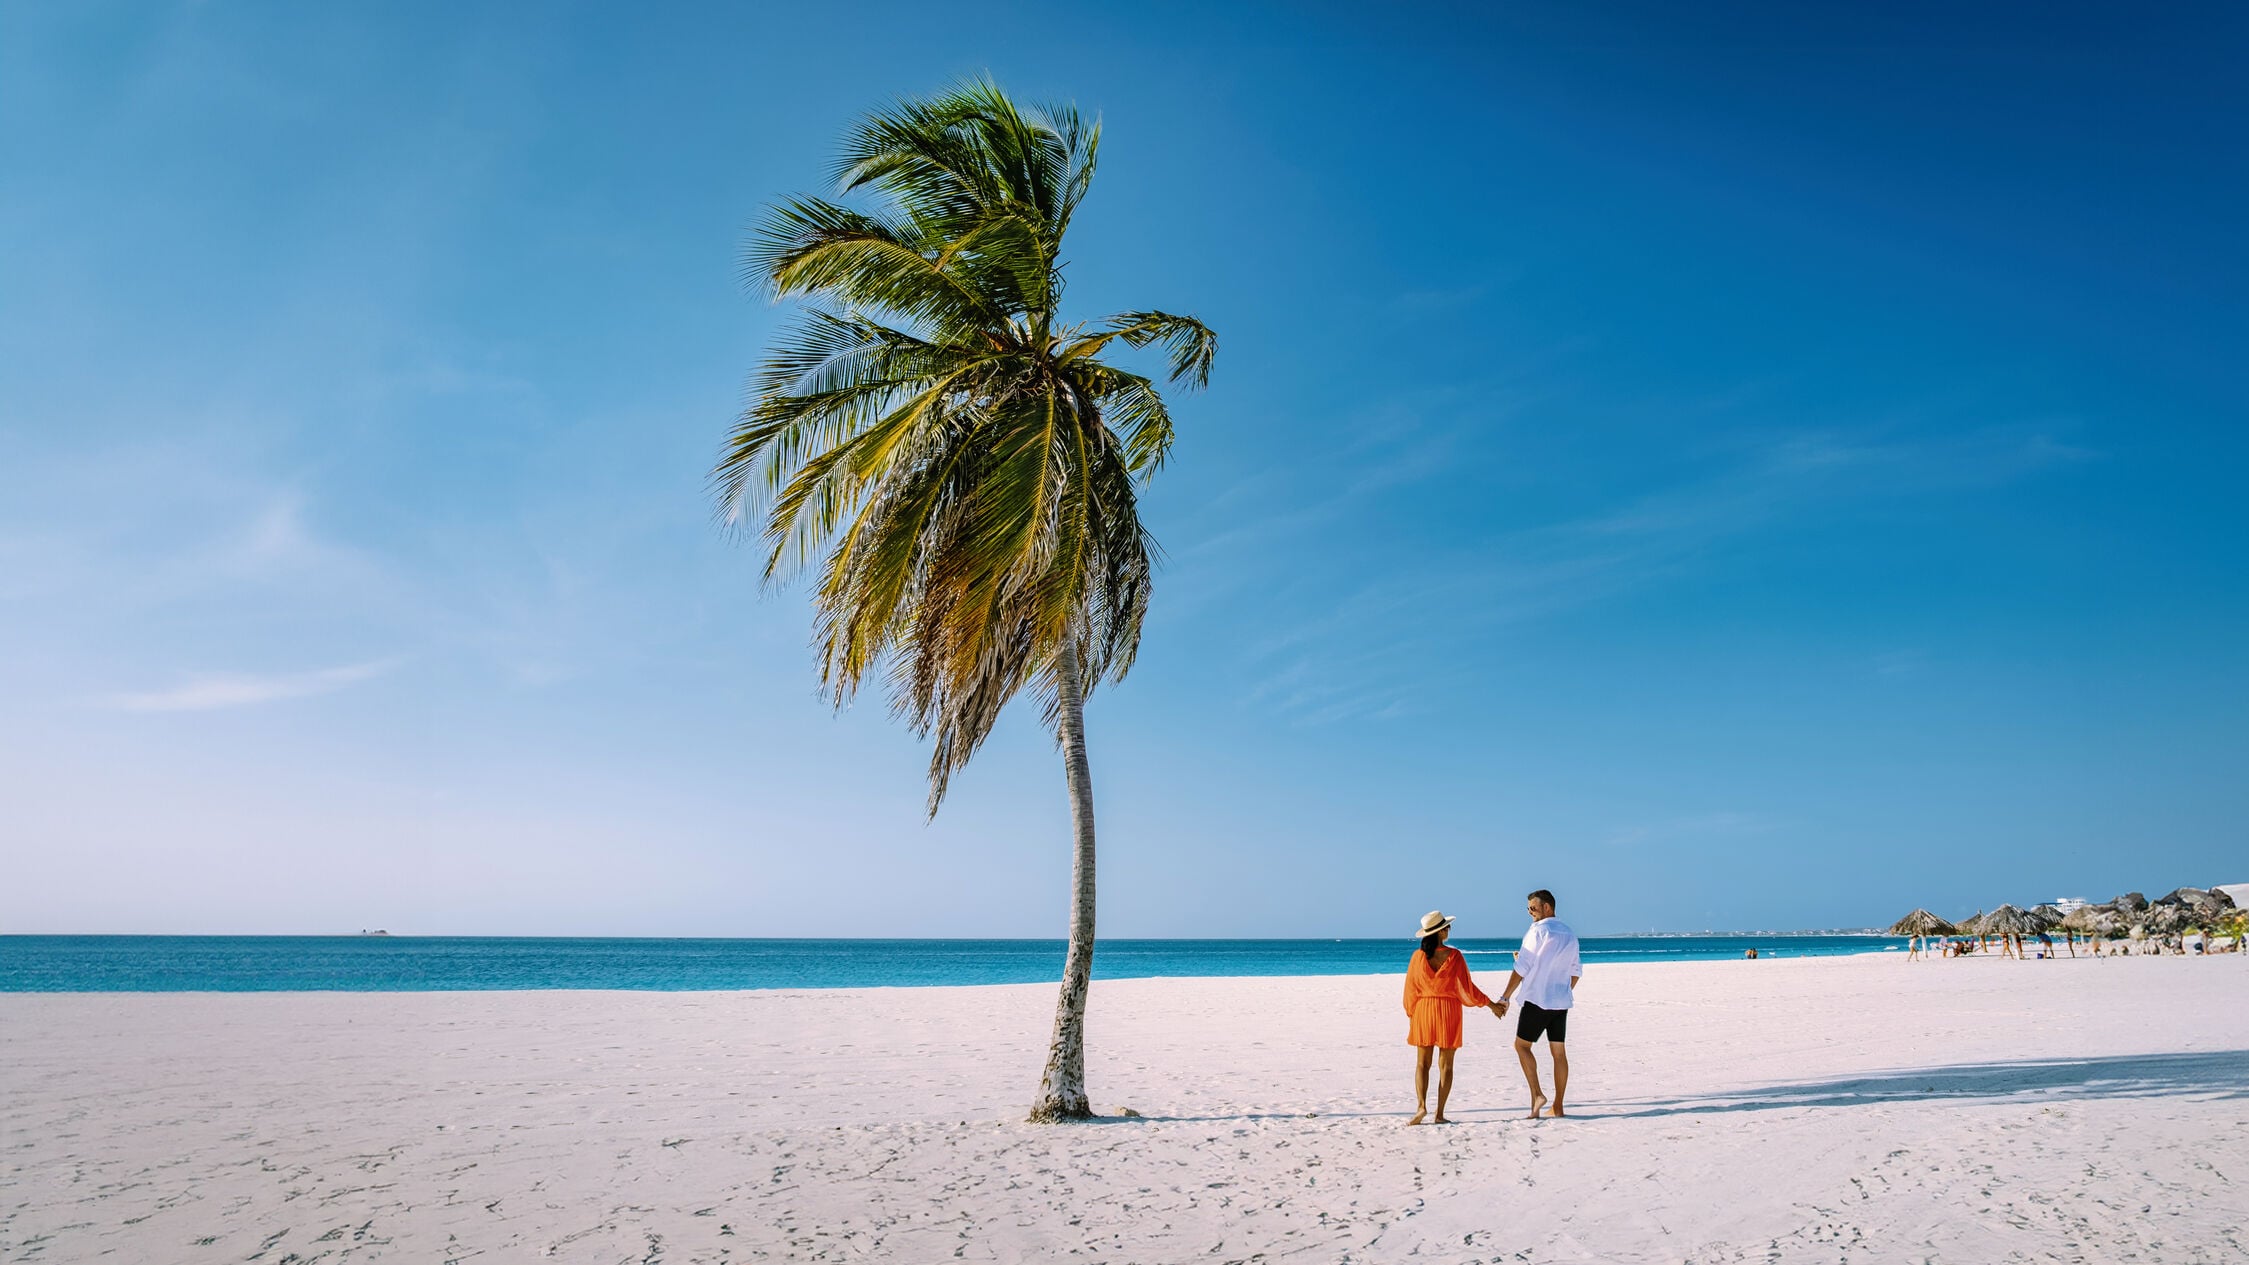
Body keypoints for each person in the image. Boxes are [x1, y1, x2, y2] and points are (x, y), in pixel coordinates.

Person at [1402, 910, 1503, 1125]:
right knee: (1446, 1065)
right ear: (1441, 932)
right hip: (1448, 1011)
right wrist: (1492, 1005)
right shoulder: (1454, 956)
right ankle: (1439, 1114)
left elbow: (1410, 990)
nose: (1449, 930)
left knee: (1422, 1064)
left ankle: (1421, 1107)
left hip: (1424, 1010)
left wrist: (1413, 1013)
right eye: (1447, 927)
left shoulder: (1417, 957)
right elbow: (1468, 988)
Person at [1496, 889, 1581, 1119]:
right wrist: (1560, 991)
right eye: (1528, 909)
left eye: (1534, 907)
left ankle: (1537, 1095)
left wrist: (1504, 997)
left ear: (1547, 907)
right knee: (1559, 1053)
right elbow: (1575, 973)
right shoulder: (1569, 934)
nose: (1530, 912)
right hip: (1560, 1002)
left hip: (1536, 1000)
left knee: (1521, 1046)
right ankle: (1559, 1106)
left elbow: (1522, 968)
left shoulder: (1538, 931)